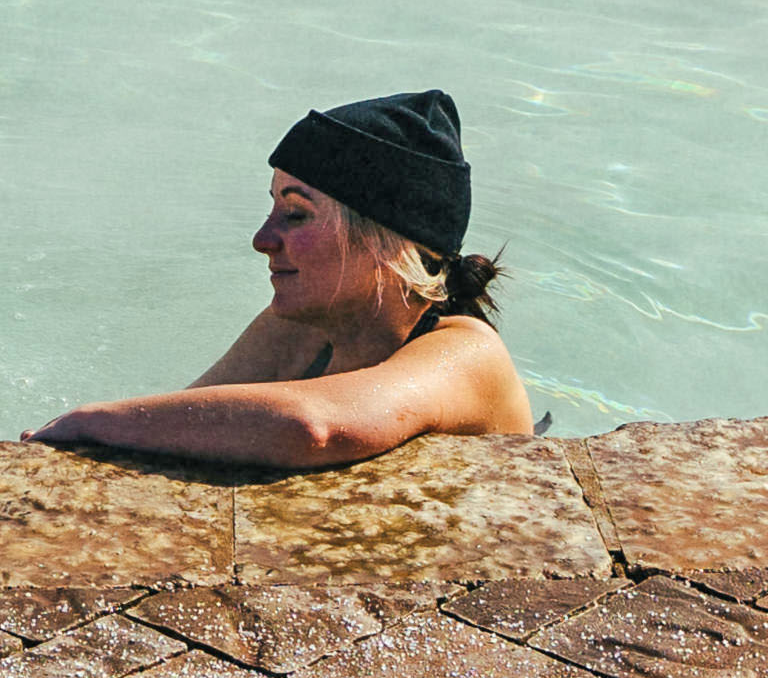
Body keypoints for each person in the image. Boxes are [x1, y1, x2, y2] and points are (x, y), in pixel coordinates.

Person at [33, 86, 527, 471]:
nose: (263, 239)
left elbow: (315, 428)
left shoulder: (466, 354)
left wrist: (93, 421)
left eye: (295, 214)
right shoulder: (302, 327)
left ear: (385, 242)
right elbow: (189, 416)